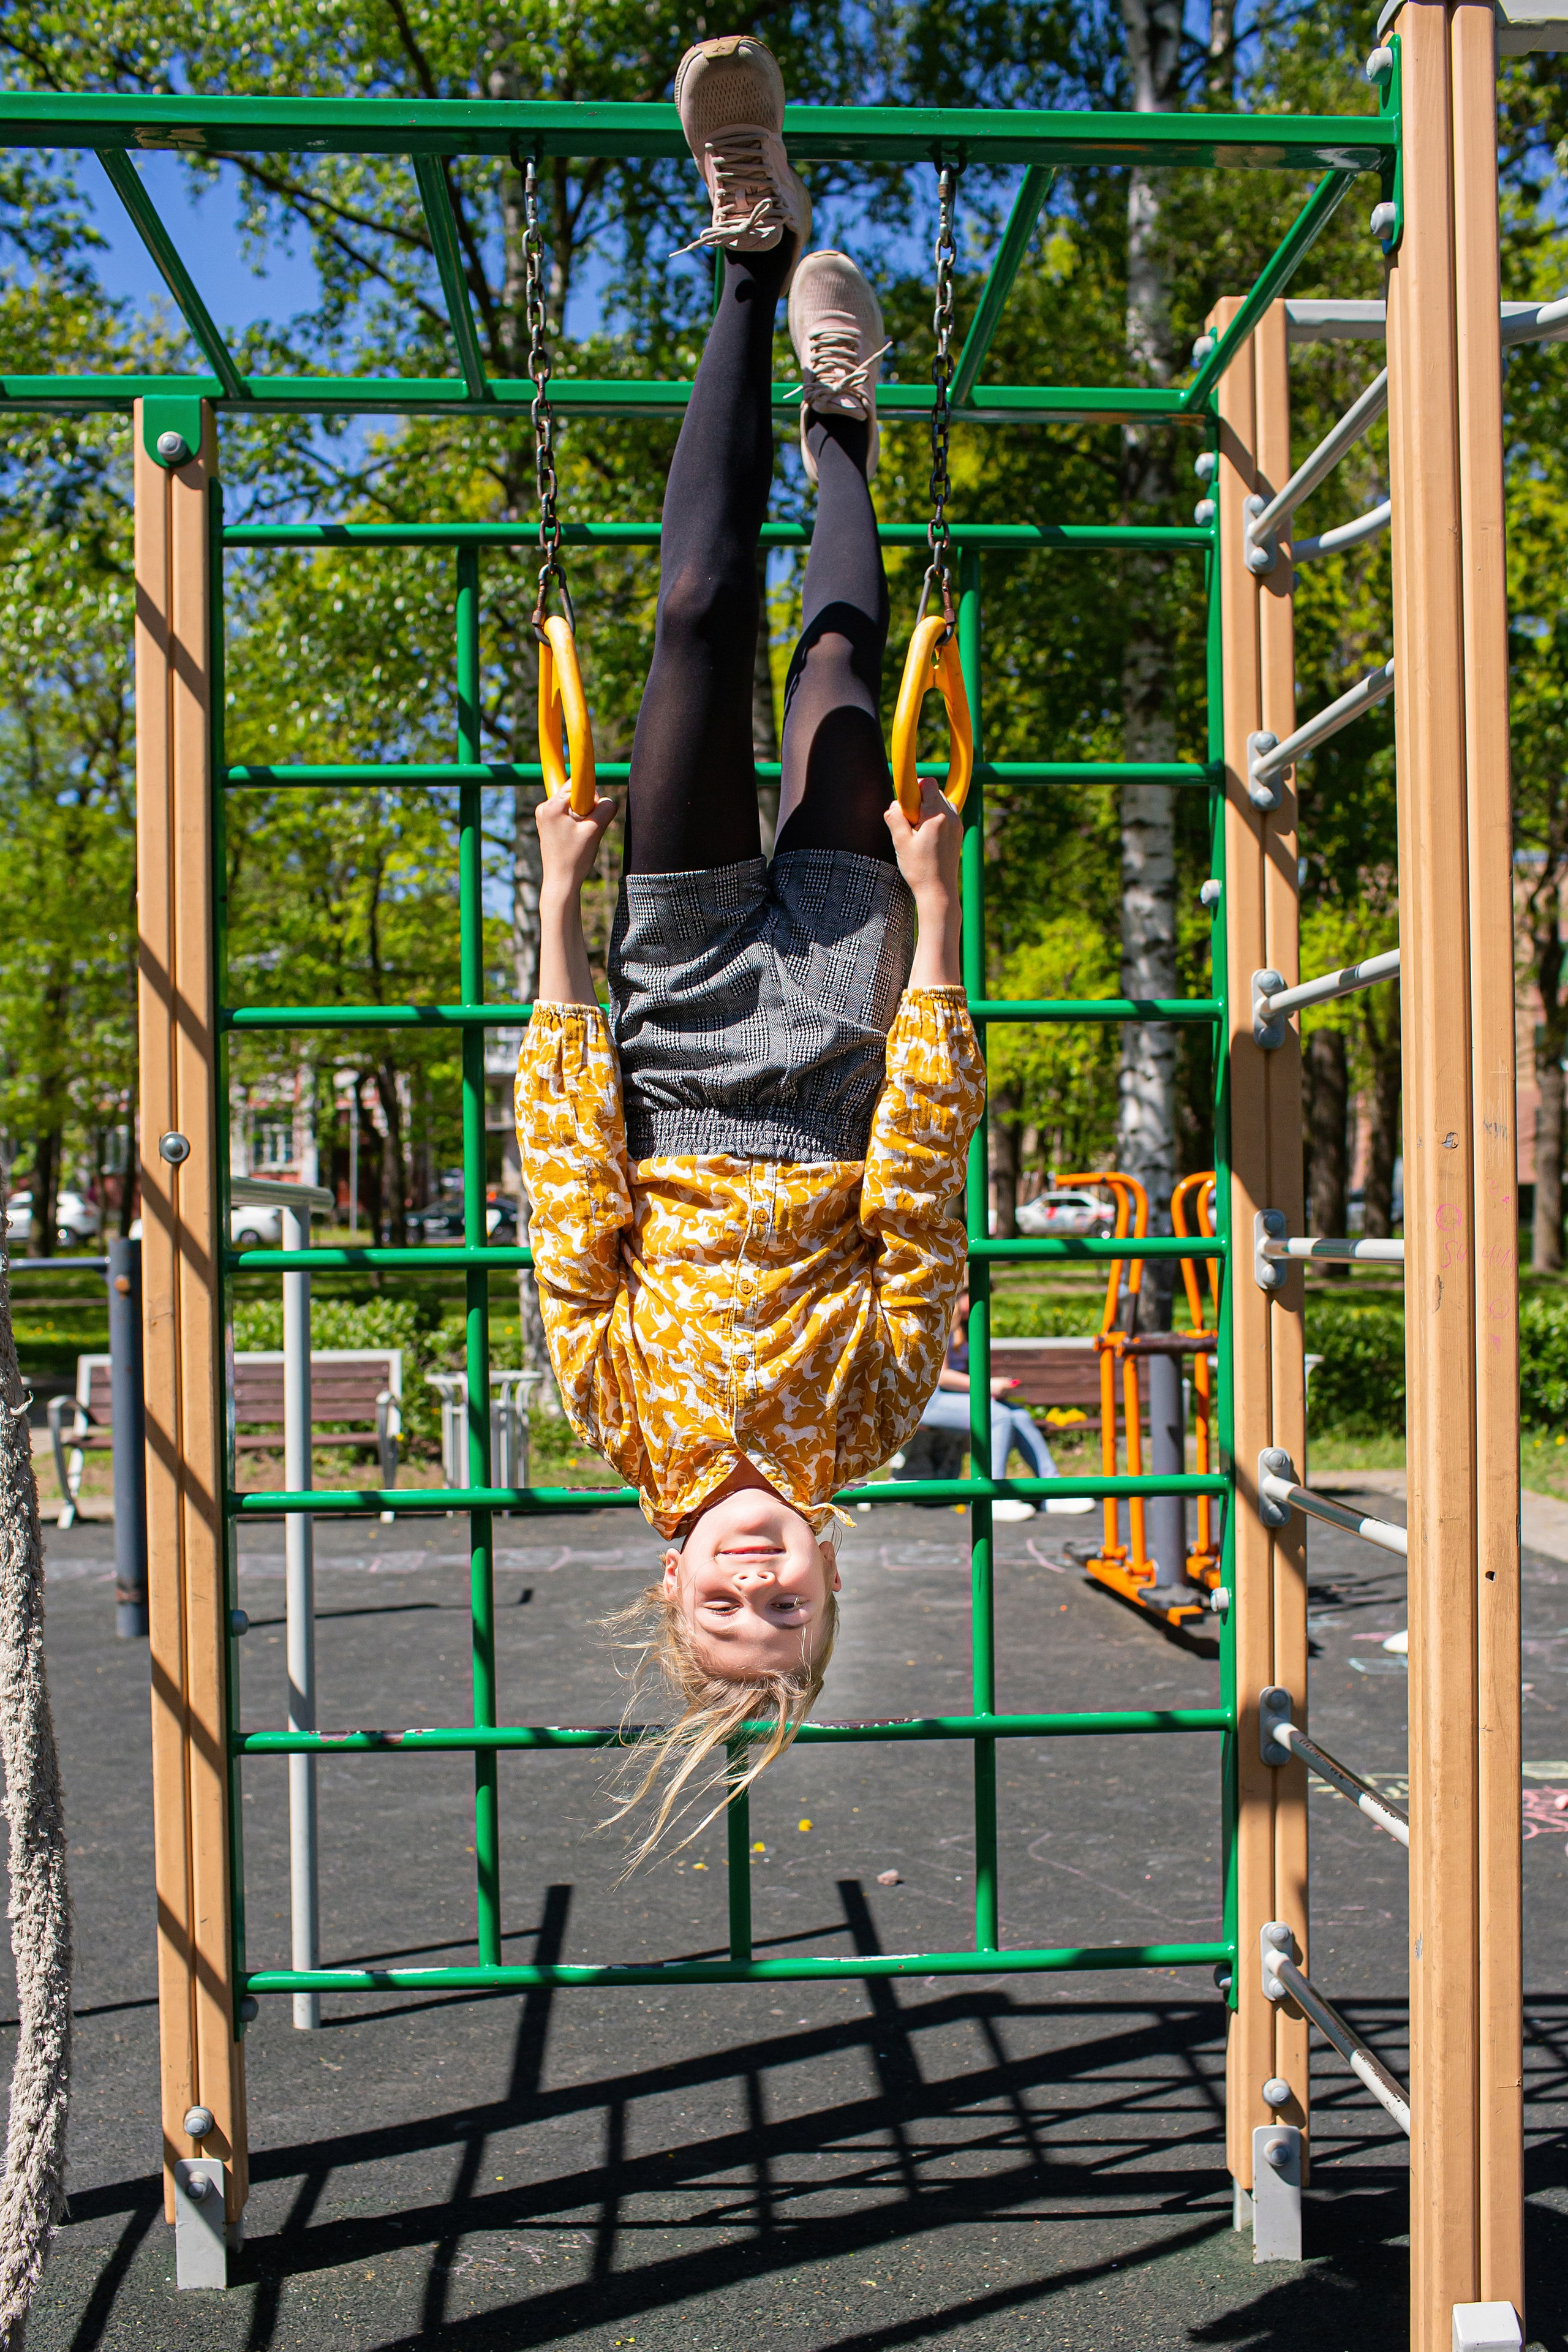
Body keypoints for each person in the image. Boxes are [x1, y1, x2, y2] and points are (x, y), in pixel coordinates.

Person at [516, 32, 986, 1856]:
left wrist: (555, 910)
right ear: (826, 1589)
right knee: (839, 682)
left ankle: (743, 246)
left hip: (682, 1023)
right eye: (783, 1611)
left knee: (699, 620)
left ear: (670, 1579)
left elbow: (575, 1210)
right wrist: (936, 921)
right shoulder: (868, 1418)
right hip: (843, 1027)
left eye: (725, 1608)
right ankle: (842, 422)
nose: (755, 1579)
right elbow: (917, 1198)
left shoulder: (624, 1417)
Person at [916, 1293, 1094, 1521]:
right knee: (998, 1416)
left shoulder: (969, 1327)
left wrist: (995, 1387)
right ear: (959, 1294)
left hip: (955, 1398)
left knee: (1018, 1415)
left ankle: (1052, 1489)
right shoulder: (941, 1322)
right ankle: (994, 1495)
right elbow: (941, 1377)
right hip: (931, 1402)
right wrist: (986, 1386)